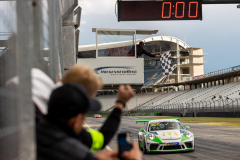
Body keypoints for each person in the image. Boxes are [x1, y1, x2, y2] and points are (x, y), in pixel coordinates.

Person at [37, 83, 142, 160]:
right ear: (76, 120)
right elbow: (102, 138)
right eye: (84, 117)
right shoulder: (74, 151)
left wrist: (96, 158)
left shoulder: (37, 131)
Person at [62, 65, 133, 150]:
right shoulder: (74, 146)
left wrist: (119, 104)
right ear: (76, 121)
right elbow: (102, 139)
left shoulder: (44, 125)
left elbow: (102, 138)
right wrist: (121, 102)